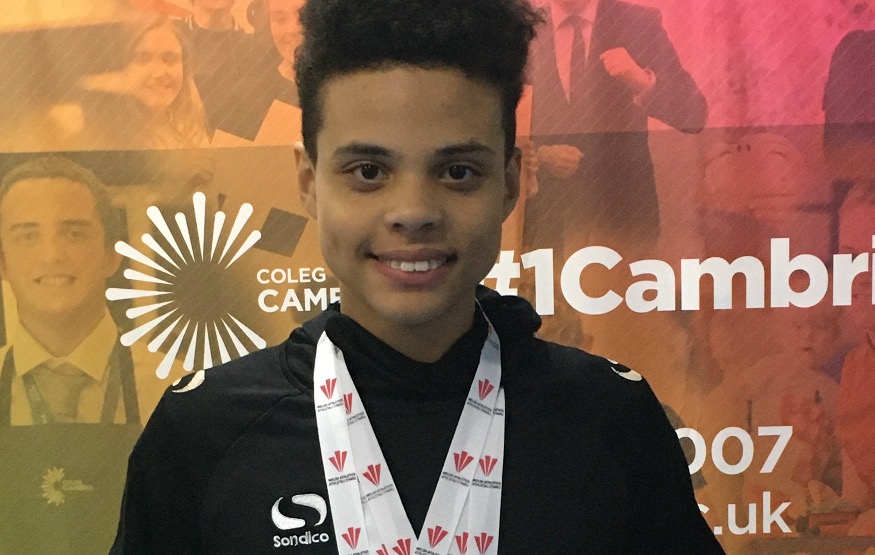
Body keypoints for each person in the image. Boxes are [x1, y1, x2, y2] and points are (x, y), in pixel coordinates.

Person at [111, 0, 724, 553]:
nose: (413, 212)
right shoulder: (205, 431)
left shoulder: (609, 418)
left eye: (457, 172)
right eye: (368, 171)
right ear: (308, 182)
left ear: (511, 182)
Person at [0, 156, 168, 553]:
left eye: (74, 233)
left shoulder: (172, 387)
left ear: (112, 254)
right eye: (27, 236)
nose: (51, 255)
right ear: (2, 261)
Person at [524, 0, 707, 250]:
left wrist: (642, 81)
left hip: (623, 216)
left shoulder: (638, 23)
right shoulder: (524, 28)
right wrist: (541, 154)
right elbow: (501, 117)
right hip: (547, 220)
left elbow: (694, 114)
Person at [80, 15, 209, 149]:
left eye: (169, 59)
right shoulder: (98, 139)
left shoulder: (195, 129)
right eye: (143, 59)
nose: (159, 73)